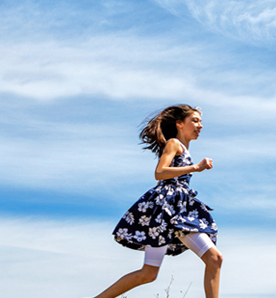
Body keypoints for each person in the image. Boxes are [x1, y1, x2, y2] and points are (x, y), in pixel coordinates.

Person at [95, 104, 224, 298]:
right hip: (169, 211)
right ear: (180, 124)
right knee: (214, 258)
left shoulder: (185, 149)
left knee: (148, 274)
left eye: (201, 122)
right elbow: (160, 172)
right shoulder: (174, 143)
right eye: (195, 121)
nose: (200, 125)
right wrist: (195, 168)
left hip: (173, 211)